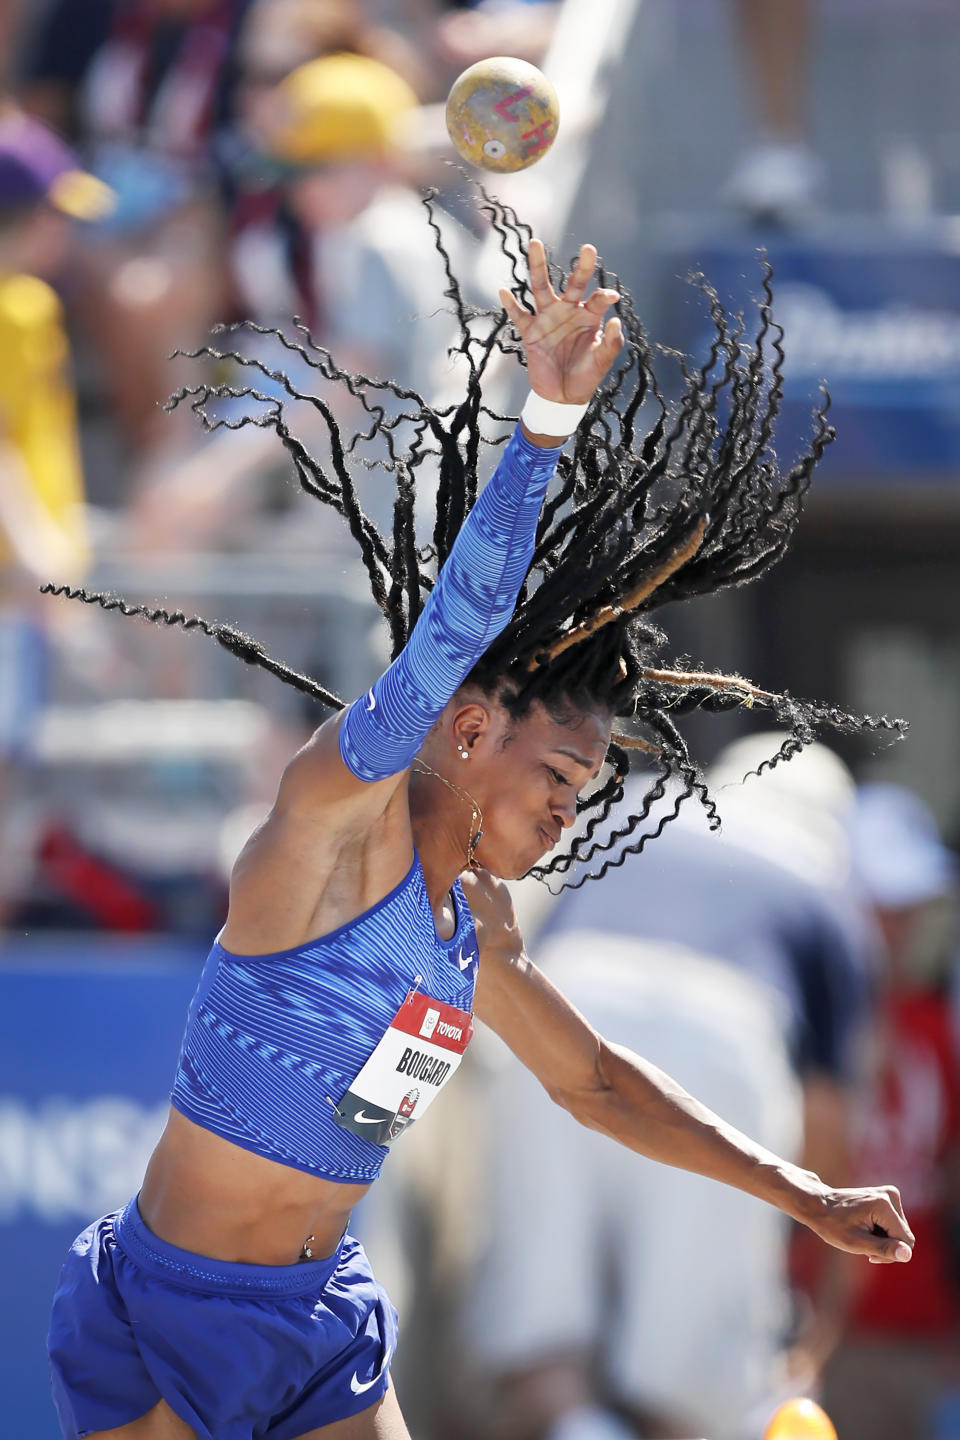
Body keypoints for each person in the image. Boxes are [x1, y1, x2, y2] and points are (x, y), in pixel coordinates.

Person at [45, 214, 914, 1440]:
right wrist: (545, 428)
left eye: (587, 781)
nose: (570, 802)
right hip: (168, 1309)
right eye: (558, 768)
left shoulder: (478, 930)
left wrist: (803, 1192)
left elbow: (601, 1085)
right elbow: (454, 632)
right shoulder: (334, 827)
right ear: (463, 735)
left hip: (317, 1319)